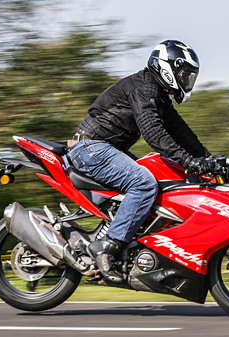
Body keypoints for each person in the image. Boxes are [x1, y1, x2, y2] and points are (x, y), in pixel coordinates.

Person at [68, 40, 213, 282]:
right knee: (144, 183)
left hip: (107, 149)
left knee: (162, 178)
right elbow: (154, 134)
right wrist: (190, 161)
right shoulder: (143, 89)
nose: (187, 81)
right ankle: (109, 246)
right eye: (184, 74)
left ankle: (129, 243)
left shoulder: (158, 96)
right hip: (90, 147)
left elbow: (182, 133)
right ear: (168, 69)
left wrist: (208, 159)